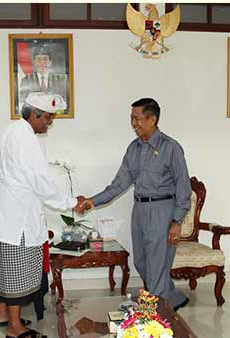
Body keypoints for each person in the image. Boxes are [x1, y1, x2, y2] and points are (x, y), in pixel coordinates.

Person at [78, 98, 192, 311]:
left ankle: (154, 318)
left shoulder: (171, 148)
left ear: (152, 119)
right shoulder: (134, 148)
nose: (134, 123)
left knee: (157, 267)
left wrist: (177, 221)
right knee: (141, 261)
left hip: (162, 211)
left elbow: (183, 187)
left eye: (137, 119)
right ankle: (173, 299)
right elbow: (119, 184)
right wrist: (92, 201)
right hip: (139, 210)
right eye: (132, 119)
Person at [0, 92, 81, 338]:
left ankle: (1, 314)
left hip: (1, 214)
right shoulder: (26, 138)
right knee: (17, 272)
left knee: (4, 268)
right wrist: (71, 203)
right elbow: (41, 183)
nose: (49, 123)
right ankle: (15, 327)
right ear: (34, 114)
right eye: (48, 118)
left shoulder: (8, 130)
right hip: (17, 218)